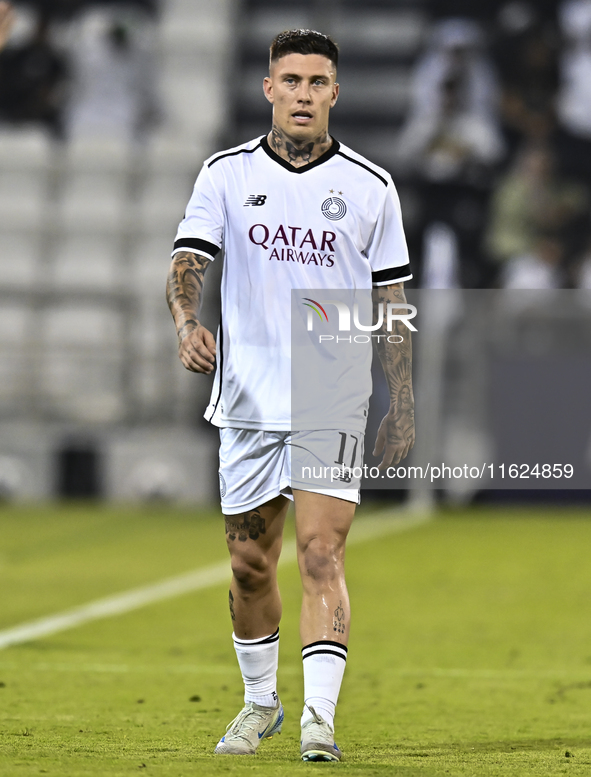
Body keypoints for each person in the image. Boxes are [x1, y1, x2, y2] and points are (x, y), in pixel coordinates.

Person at [166, 29, 414, 762]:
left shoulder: (371, 187)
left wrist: (400, 397)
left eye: (316, 82)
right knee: (249, 564)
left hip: (330, 389)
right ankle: (259, 703)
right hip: (246, 396)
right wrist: (187, 320)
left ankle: (318, 719)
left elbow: (390, 296)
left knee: (318, 553)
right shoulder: (224, 174)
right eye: (290, 80)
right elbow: (188, 258)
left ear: (334, 93)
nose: (303, 93)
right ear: (268, 89)